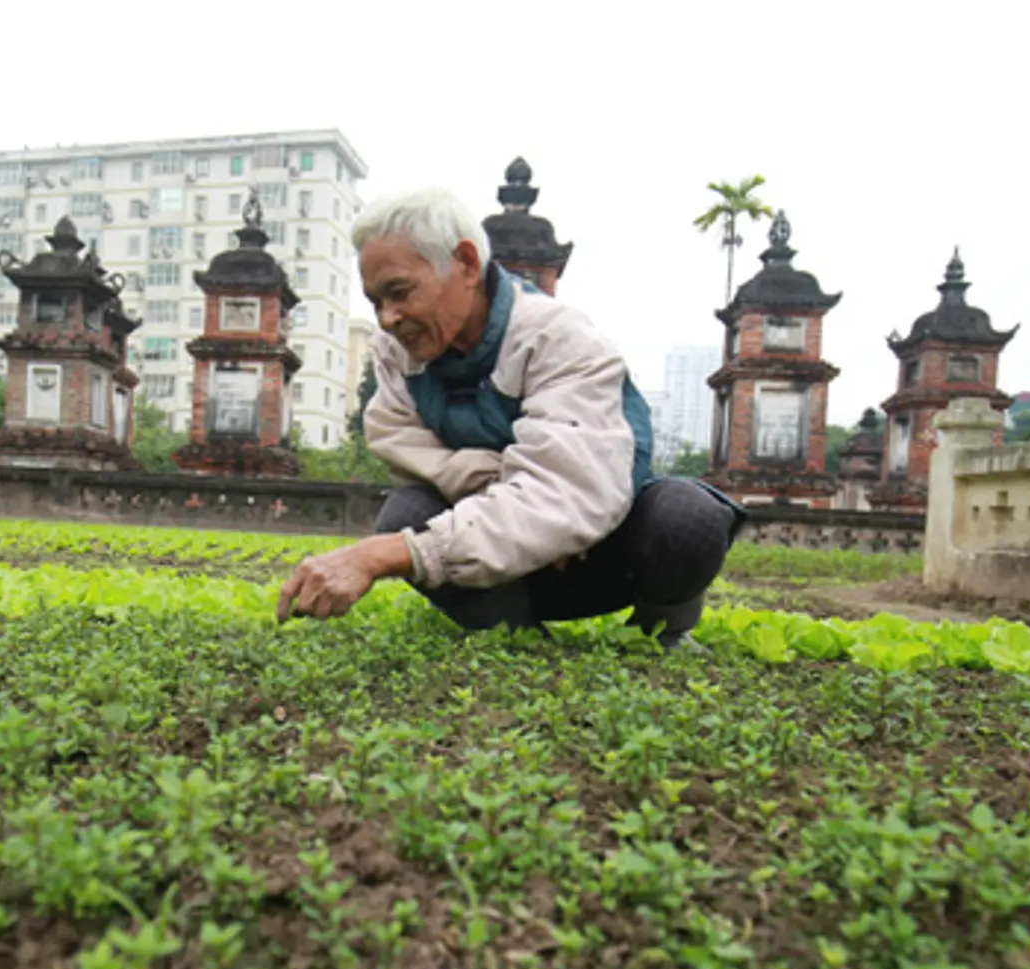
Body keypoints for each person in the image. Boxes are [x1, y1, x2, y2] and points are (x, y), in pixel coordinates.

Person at [276, 188, 745, 645]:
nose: (387, 318)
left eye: (399, 292)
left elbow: (567, 493)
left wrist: (379, 555)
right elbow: (399, 443)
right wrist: (493, 482)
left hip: (601, 554)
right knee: (407, 513)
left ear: (465, 263)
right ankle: (514, 633)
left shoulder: (558, 337)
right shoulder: (398, 357)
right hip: (496, 570)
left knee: (687, 517)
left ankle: (659, 632)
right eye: (376, 301)